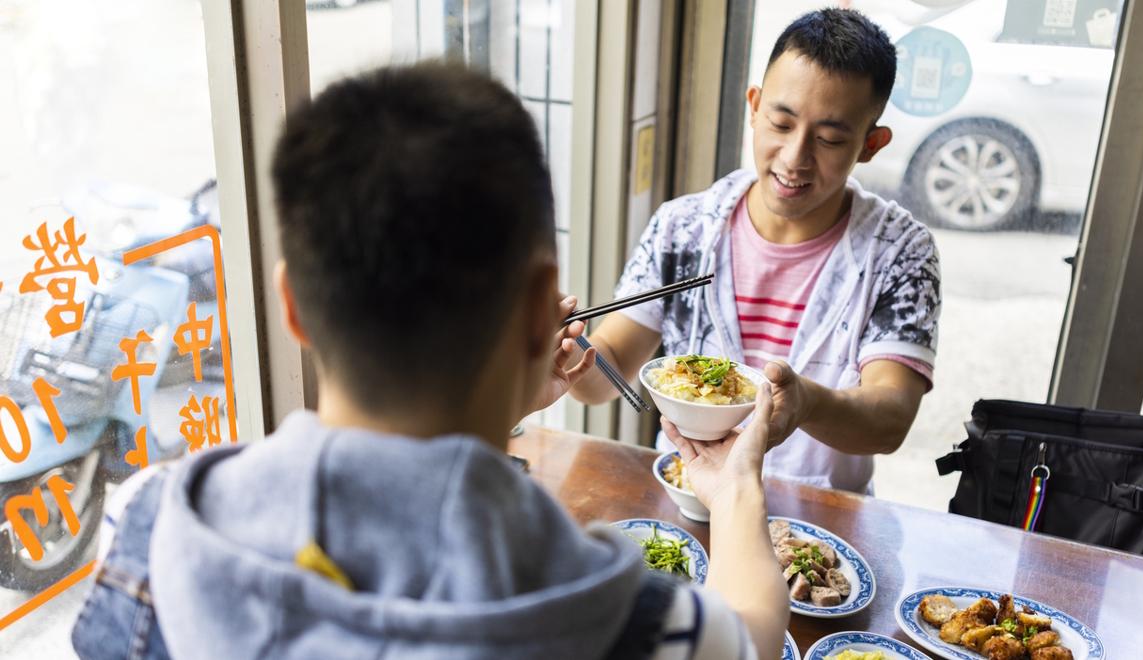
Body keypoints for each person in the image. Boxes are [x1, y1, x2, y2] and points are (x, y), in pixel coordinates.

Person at [70, 62, 790, 660]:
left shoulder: (150, 522)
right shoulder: (617, 616)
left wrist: (508, 394)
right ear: (544, 311)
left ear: (292, 305)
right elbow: (750, 636)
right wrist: (732, 484)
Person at [570, 9, 941, 494]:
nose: (794, 158)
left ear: (871, 144)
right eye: (781, 123)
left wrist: (806, 402)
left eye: (829, 139)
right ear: (753, 106)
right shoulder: (684, 228)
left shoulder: (900, 252)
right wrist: (568, 354)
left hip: (822, 527)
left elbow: (890, 418)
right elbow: (610, 367)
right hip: (689, 501)